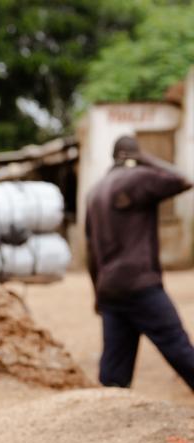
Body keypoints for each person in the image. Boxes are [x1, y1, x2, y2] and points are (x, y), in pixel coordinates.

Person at [85, 135, 194, 390]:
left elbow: (91, 252)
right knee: (179, 348)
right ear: (133, 155)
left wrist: (97, 294)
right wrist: (146, 158)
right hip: (141, 285)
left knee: (113, 375)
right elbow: (184, 179)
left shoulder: (94, 192)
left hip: (110, 290)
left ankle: (111, 420)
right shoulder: (137, 179)